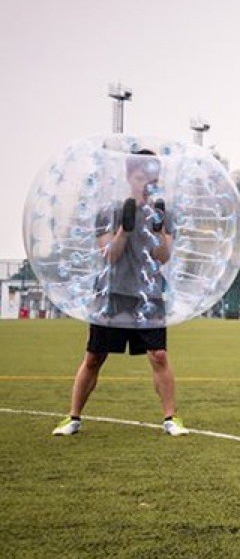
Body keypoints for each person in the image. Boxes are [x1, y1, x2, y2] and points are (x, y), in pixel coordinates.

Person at [53, 149, 188, 437]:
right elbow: (109, 256)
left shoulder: (163, 212)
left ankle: (170, 418)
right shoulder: (110, 211)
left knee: (159, 355)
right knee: (94, 357)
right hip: (112, 294)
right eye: (141, 177)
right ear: (129, 177)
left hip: (148, 295)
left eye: (152, 178)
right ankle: (73, 417)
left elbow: (163, 256)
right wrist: (124, 230)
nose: (146, 183)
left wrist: (160, 229)